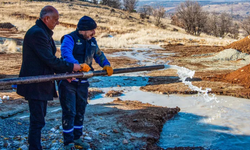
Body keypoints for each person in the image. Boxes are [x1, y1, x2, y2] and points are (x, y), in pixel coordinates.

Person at [16, 6, 82, 150]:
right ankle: (34, 147)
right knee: (37, 120)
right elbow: (50, 60)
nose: (57, 23)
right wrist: (72, 67)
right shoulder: (38, 34)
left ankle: (35, 146)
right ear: (46, 19)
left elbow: (48, 60)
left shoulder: (43, 32)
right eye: (56, 19)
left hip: (41, 82)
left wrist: (64, 74)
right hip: (35, 84)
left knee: (39, 118)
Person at [59, 16, 113, 149]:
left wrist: (106, 65)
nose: (93, 33)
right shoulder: (69, 39)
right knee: (69, 111)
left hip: (83, 82)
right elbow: (66, 54)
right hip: (68, 82)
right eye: (91, 30)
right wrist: (78, 65)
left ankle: (77, 138)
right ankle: (68, 142)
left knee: (80, 110)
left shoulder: (92, 41)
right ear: (83, 30)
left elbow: (99, 55)